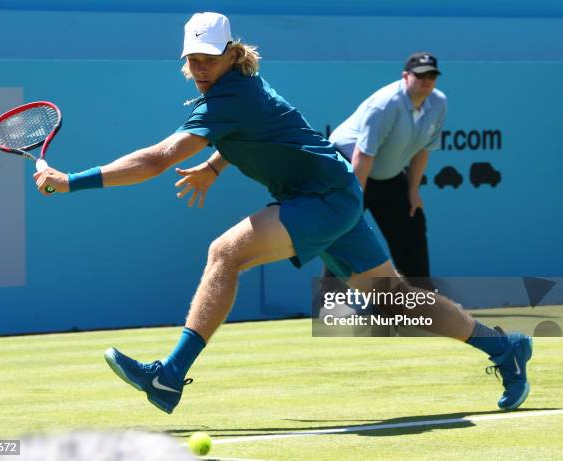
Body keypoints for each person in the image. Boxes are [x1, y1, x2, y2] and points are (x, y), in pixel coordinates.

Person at [33, 12, 532, 414]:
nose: (201, 67)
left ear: (230, 54)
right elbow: (251, 134)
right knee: (392, 298)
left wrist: (70, 181)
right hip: (333, 193)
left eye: (210, 57)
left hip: (321, 199)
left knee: (224, 254)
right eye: (193, 59)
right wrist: (212, 165)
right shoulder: (243, 87)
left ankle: (168, 377)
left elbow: (158, 159)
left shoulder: (229, 96)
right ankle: (504, 347)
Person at [329, 52, 446, 283]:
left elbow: (423, 150)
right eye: (420, 75)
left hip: (387, 174)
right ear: (405, 76)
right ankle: (331, 303)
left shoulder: (438, 103)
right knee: (342, 233)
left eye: (432, 75)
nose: (427, 80)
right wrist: (355, 198)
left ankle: (421, 300)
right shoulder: (385, 104)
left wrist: (412, 190)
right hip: (350, 167)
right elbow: (363, 154)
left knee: (412, 223)